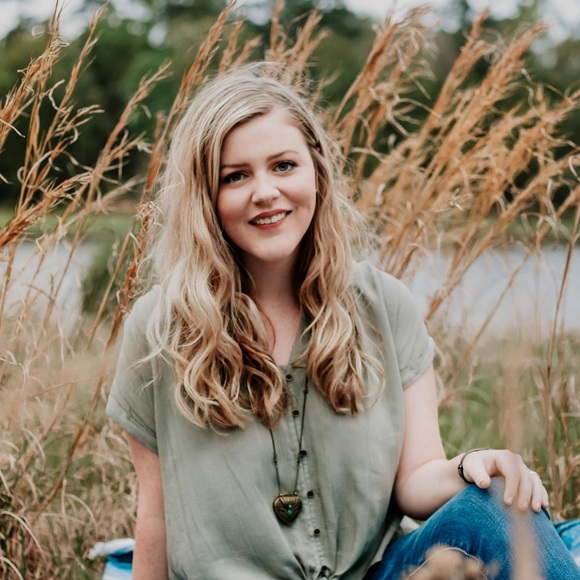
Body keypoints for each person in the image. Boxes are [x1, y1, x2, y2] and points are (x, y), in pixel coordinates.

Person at [106, 63, 580, 579]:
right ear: (206, 196)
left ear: (316, 171)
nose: (264, 191)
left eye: (283, 166)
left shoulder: (383, 305)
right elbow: (156, 515)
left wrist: (475, 467)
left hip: (376, 572)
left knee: (498, 505)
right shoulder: (160, 329)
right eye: (235, 176)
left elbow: (416, 480)